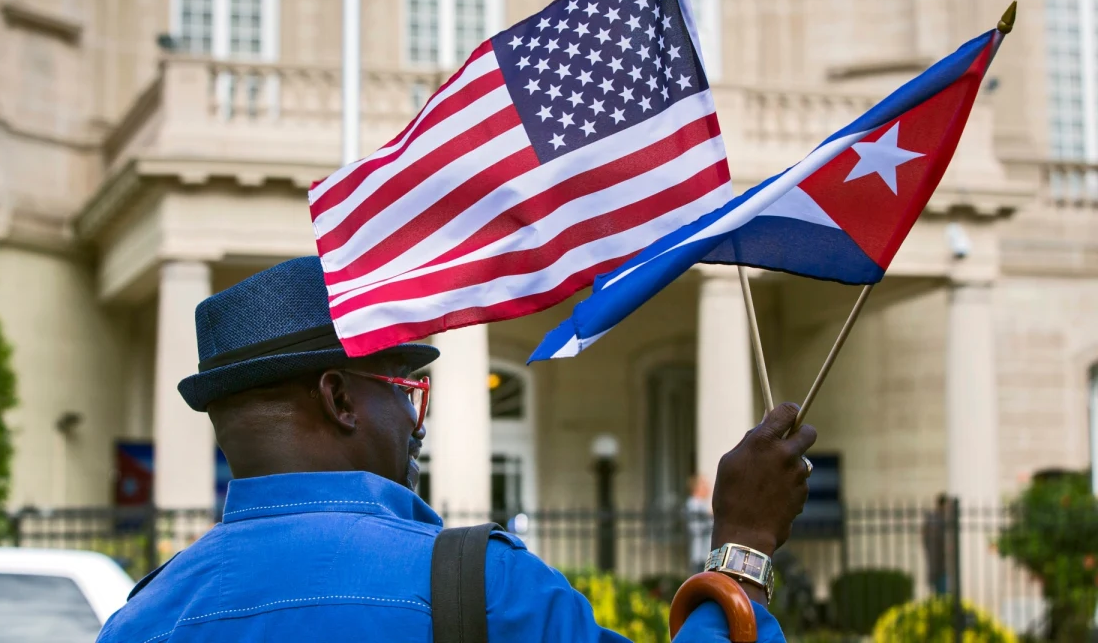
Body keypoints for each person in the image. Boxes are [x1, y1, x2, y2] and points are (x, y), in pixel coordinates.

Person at [97, 256, 817, 642]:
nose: (418, 424)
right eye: (404, 391)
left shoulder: (145, 619)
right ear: (340, 399)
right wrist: (743, 547)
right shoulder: (479, 587)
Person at [922, 493, 952, 595]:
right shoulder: (938, 520)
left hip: (939, 564)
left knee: (941, 593)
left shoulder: (939, 520)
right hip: (940, 565)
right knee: (942, 594)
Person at [686, 474, 715, 575]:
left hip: (705, 553)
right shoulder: (693, 505)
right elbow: (696, 528)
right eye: (704, 485)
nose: (708, 488)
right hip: (700, 554)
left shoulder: (701, 505)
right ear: (697, 488)